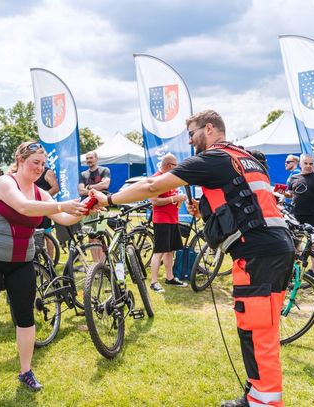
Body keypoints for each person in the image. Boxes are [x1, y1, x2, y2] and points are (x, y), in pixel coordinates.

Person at [90, 110, 294, 407]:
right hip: (276, 247)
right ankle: (255, 395)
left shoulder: (214, 158)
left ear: (208, 129)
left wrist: (108, 199)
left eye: (191, 134)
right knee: (260, 327)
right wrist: (208, 210)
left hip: (257, 254)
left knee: (257, 329)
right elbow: (246, 202)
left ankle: (265, 402)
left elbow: (151, 186)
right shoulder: (244, 157)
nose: (189, 141)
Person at [0, 141, 88, 391]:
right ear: (20, 160)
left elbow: (64, 218)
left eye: (43, 164)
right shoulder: (4, 182)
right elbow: (23, 207)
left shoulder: (40, 193)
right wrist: (62, 205)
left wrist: (85, 208)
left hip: (21, 262)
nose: (40, 168)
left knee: (25, 316)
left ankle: (26, 371)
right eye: (35, 163)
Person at [148, 153, 187, 292]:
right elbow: (154, 200)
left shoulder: (169, 178)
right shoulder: (156, 178)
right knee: (159, 251)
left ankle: (170, 278)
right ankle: (153, 282)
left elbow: (172, 195)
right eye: (176, 165)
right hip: (162, 220)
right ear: (169, 165)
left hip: (172, 218)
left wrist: (178, 198)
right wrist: (174, 199)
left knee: (170, 250)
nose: (177, 167)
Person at [34, 166, 60, 256]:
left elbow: (55, 188)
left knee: (47, 235)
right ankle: (40, 258)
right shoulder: (31, 171)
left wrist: (41, 197)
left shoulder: (47, 172)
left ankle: (51, 261)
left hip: (44, 207)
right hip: (33, 208)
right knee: (36, 235)